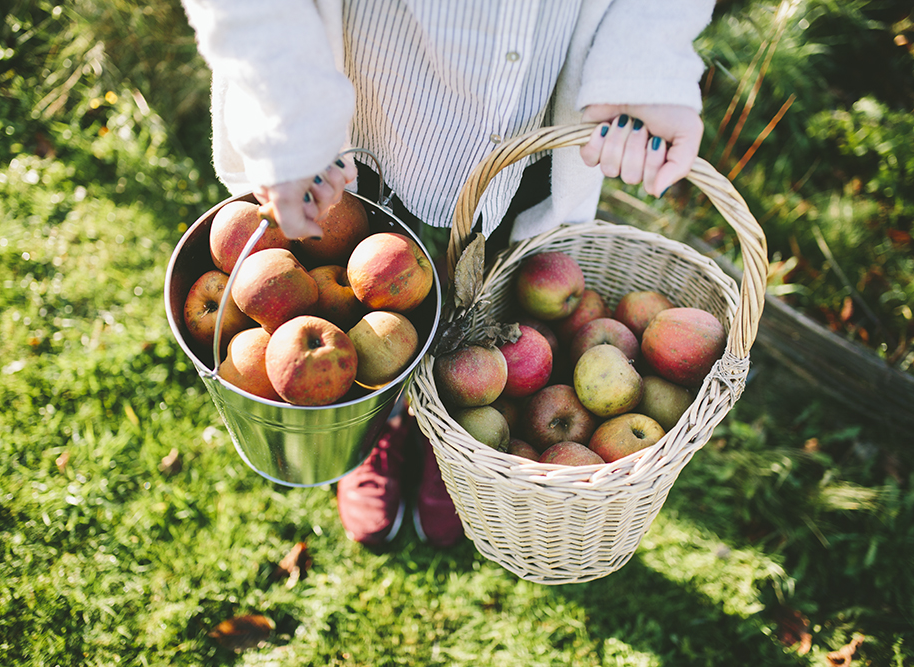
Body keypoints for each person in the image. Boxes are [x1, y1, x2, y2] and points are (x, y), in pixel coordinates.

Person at [181, 0, 716, 548]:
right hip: (368, 115)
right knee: (358, 266)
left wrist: (645, 61)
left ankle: (445, 434)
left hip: (528, 120)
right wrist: (286, 101)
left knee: (487, 294)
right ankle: (383, 419)